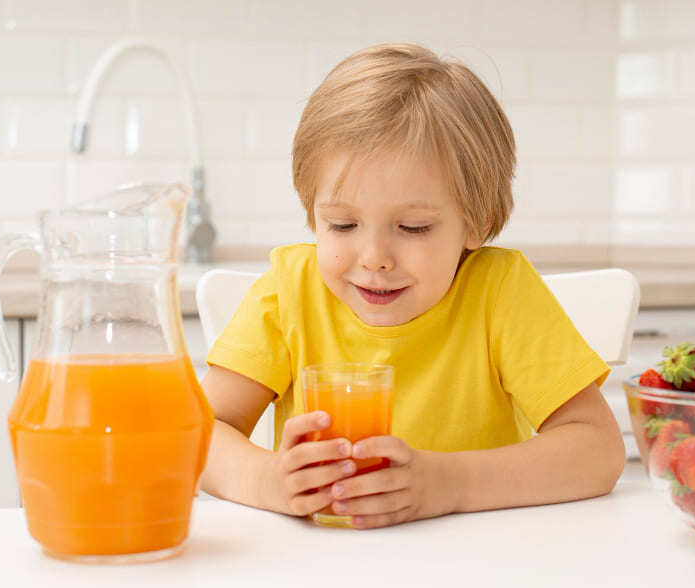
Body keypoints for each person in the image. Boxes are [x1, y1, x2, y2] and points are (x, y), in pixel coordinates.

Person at [198, 43, 625, 529]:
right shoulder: (289, 290)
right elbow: (196, 431)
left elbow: (598, 449)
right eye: (341, 225)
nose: (374, 258)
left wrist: (450, 484)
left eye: (414, 228)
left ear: (476, 224)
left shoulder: (499, 291)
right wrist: (269, 480)